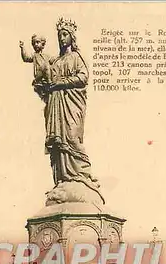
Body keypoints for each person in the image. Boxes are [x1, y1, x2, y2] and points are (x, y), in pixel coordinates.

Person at [43, 18, 104, 202]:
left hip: (72, 103)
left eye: (65, 35)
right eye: (59, 35)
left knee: (72, 137)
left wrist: (60, 83)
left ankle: (84, 174)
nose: (61, 38)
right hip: (56, 105)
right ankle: (63, 177)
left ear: (71, 36)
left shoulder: (76, 57)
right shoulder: (56, 61)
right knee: (58, 142)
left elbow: (83, 77)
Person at [19, 35, 54, 102]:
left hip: (47, 80)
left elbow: (53, 61)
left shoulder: (47, 56)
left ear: (43, 44)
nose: (35, 45)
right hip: (39, 81)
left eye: (37, 42)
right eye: (34, 43)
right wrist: (22, 48)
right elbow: (26, 58)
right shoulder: (34, 55)